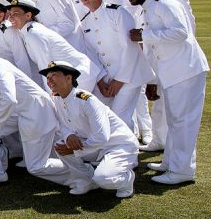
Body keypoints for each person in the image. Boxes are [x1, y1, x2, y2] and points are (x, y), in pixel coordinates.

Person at [125, 0, 208, 184]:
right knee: (174, 120)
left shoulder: (164, 3)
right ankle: (171, 162)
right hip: (173, 72)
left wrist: (144, 34)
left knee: (183, 122)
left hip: (186, 70)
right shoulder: (148, 8)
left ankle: (182, 171)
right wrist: (153, 80)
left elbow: (181, 32)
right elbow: (154, 50)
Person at [0, 29, 70, 187]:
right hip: (20, 111)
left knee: (35, 166)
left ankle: (81, 172)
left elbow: (9, 98)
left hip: (36, 111)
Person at [40, 61, 139, 198]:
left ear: (69, 78)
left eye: (54, 75)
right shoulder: (58, 98)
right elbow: (63, 124)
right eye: (48, 77)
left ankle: (126, 179)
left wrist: (74, 149)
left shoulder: (86, 100)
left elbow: (102, 137)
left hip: (119, 145)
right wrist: (69, 136)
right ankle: (85, 180)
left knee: (104, 179)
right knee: (61, 145)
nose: (49, 80)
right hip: (95, 144)